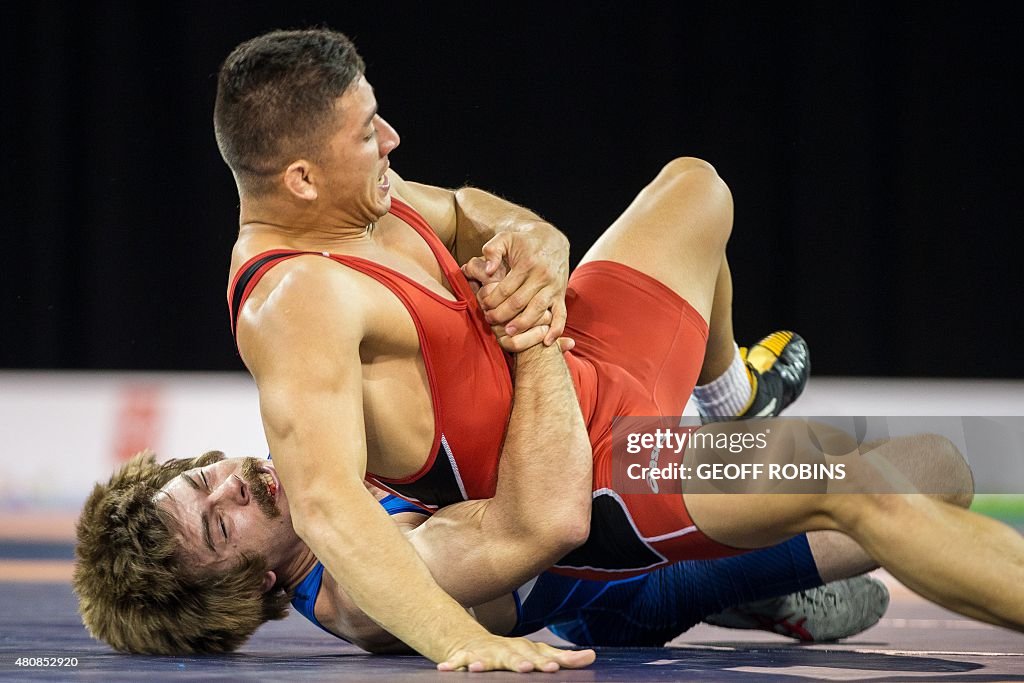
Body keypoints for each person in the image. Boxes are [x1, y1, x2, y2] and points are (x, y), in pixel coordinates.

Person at [205, 27, 1024, 671]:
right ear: (302, 179)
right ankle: (737, 532)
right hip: (605, 460)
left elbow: (460, 209)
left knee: (696, 186)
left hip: (585, 355)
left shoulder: (362, 199)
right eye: (364, 131)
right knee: (883, 478)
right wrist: (457, 639)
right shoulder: (294, 300)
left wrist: (538, 240)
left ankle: (730, 394)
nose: (390, 136)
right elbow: (327, 504)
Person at [74, 448, 890, 656]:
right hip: (646, 573)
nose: (232, 488)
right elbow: (549, 518)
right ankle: (747, 582)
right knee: (909, 493)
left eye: (203, 479)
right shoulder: (365, 592)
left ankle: (755, 582)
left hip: (613, 522)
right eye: (218, 525)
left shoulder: (307, 472)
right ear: (246, 583)